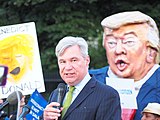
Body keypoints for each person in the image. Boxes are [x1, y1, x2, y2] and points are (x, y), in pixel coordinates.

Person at [89, 11, 160, 120]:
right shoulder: (89, 80)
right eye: (111, 43)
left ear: (151, 52)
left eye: (129, 42)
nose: (118, 50)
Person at [43, 36, 121, 120]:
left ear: (87, 60)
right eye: (62, 62)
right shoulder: (56, 94)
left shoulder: (107, 95)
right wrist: (45, 118)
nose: (68, 67)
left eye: (74, 60)